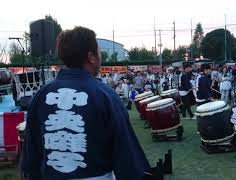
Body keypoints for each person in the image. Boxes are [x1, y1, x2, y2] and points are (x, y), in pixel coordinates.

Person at [21, 27, 151, 180]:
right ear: (91, 57)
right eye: (99, 51)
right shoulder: (105, 96)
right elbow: (127, 158)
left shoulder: (41, 96)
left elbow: (30, 160)